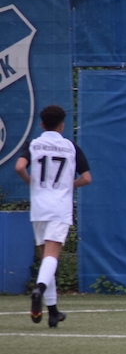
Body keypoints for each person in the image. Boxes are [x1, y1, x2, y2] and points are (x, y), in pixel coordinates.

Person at [15, 105, 92, 328]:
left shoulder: (34, 143)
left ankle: (53, 312)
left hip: (39, 207)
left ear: (41, 124)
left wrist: (31, 182)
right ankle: (39, 290)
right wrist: (69, 185)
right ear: (62, 125)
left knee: (46, 259)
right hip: (59, 207)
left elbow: (19, 167)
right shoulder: (70, 147)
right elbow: (87, 178)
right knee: (52, 256)